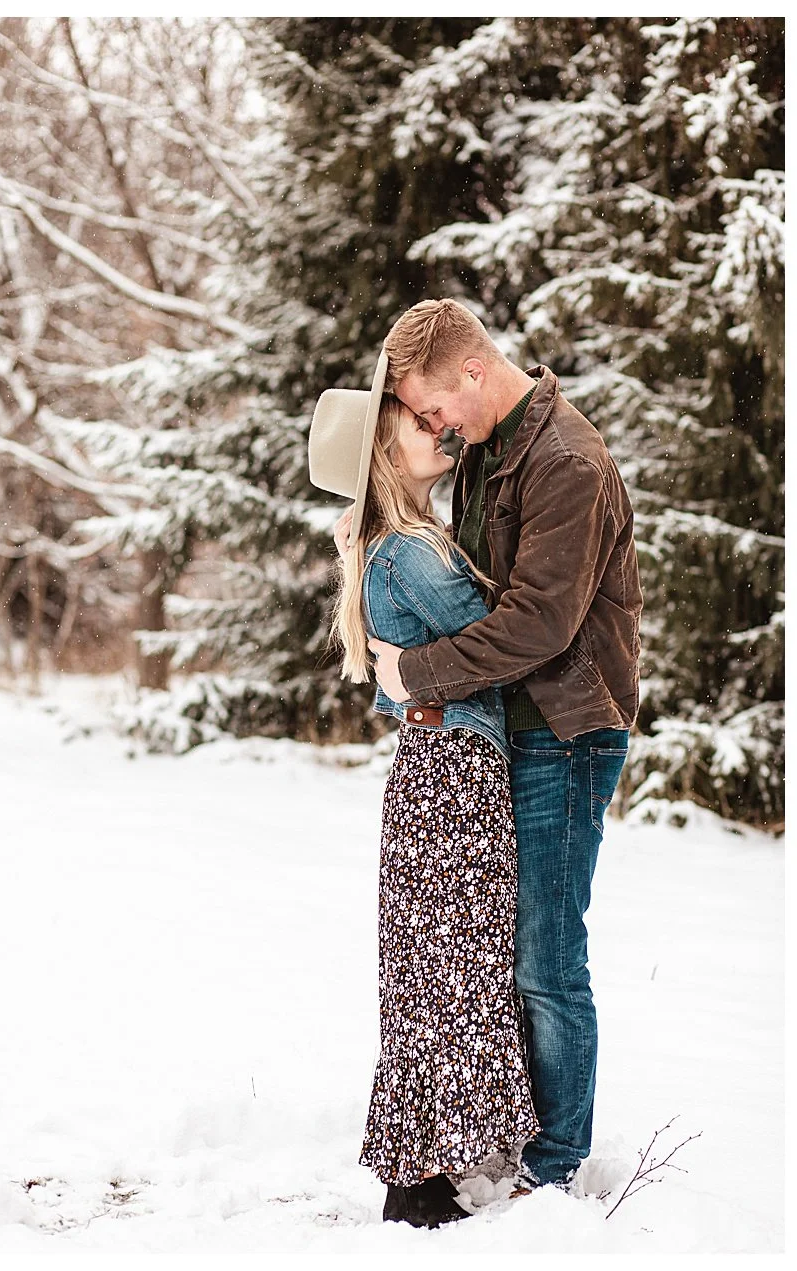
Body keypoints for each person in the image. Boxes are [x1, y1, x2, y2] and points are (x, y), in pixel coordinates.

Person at [342, 299, 642, 1194]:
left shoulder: (565, 462)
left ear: (471, 371)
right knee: (495, 949)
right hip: (508, 733)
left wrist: (415, 673)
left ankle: (552, 1169)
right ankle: (510, 1135)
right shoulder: (490, 451)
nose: (436, 426)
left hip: (563, 731)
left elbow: (538, 624)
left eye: (434, 406)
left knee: (547, 957)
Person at [311, 358, 539, 1227]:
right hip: (451, 771)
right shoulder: (406, 551)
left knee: (436, 966)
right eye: (411, 421)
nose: (434, 427)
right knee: (448, 966)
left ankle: (429, 1157)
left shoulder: (397, 543)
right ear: (381, 453)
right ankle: (419, 1178)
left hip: (437, 765)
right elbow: (505, 633)